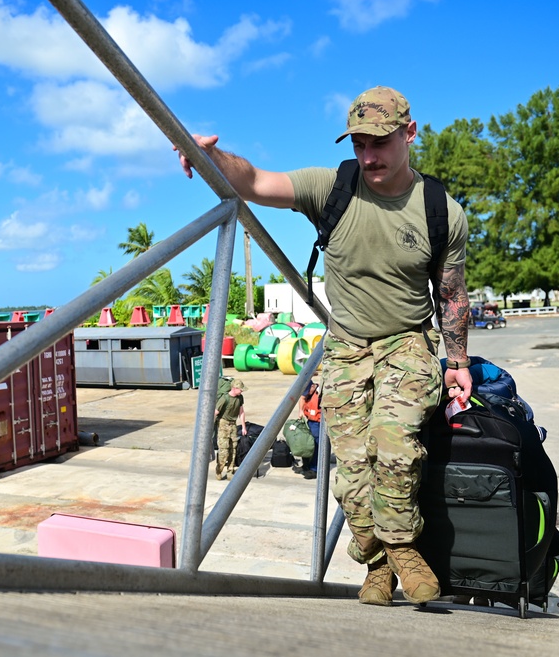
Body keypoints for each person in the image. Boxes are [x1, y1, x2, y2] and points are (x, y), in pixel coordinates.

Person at [176, 86, 472, 606]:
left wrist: (459, 362)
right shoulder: (332, 187)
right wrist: (209, 158)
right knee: (352, 465)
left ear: (409, 133)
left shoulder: (439, 210)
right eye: (359, 142)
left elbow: (451, 295)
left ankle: (403, 546)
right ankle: (377, 564)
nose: (368, 155)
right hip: (345, 343)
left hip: (406, 342)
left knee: (395, 446)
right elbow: (255, 181)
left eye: (379, 142)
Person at [213, 378, 247, 480]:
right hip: (223, 424)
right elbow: (215, 412)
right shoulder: (224, 398)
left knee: (233, 449)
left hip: (233, 425)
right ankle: (219, 470)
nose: (241, 391)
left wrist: (244, 427)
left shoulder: (240, 398)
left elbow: (241, 412)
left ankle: (230, 471)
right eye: (240, 389)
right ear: (234, 388)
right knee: (224, 450)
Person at [294, 378, 321, 480]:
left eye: (307, 392)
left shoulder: (320, 394)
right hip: (309, 421)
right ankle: (306, 465)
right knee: (305, 443)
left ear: (313, 387)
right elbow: (302, 398)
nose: (306, 395)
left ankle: (314, 469)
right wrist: (300, 411)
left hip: (318, 424)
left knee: (316, 446)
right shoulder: (306, 393)